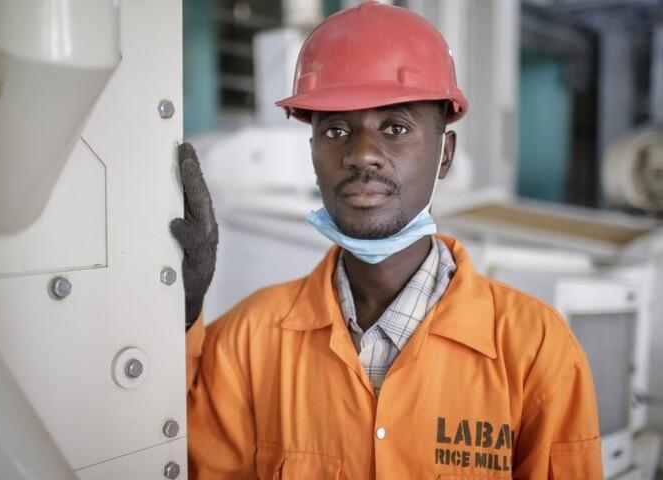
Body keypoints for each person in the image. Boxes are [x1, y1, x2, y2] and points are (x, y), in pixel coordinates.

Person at [169, 2, 603, 478]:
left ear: (444, 155)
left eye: (395, 128)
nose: (362, 155)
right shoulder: (247, 341)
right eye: (335, 130)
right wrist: (177, 314)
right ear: (312, 153)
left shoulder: (535, 348)